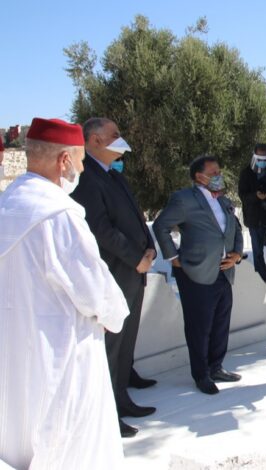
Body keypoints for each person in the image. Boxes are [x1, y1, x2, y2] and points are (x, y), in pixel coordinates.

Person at [0, 117, 129, 468]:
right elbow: (97, 291)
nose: (82, 169)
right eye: (81, 161)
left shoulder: (7, 205)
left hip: (13, 352)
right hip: (62, 356)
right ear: (64, 161)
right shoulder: (59, 216)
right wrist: (116, 315)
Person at [70, 117, 157, 438]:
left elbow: (136, 217)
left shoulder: (114, 175)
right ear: (94, 140)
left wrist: (150, 247)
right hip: (115, 273)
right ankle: (107, 415)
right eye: (114, 135)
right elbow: (100, 229)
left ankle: (122, 398)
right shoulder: (86, 178)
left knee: (126, 342)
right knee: (110, 346)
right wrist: (136, 258)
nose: (121, 139)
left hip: (135, 272)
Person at [153, 156, 244, 395]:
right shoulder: (184, 199)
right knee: (199, 327)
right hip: (195, 272)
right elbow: (161, 226)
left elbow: (235, 228)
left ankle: (216, 367)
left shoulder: (223, 200)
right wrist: (173, 257)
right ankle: (201, 374)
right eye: (213, 173)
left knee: (221, 323)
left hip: (224, 272)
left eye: (219, 171)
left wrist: (237, 254)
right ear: (199, 176)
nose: (218, 176)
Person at [239, 143, 266, 283]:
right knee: (258, 252)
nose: (262, 161)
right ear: (254, 157)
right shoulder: (246, 173)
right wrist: (256, 196)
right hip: (254, 219)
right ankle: (261, 280)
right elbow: (243, 195)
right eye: (259, 159)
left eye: (265, 159)